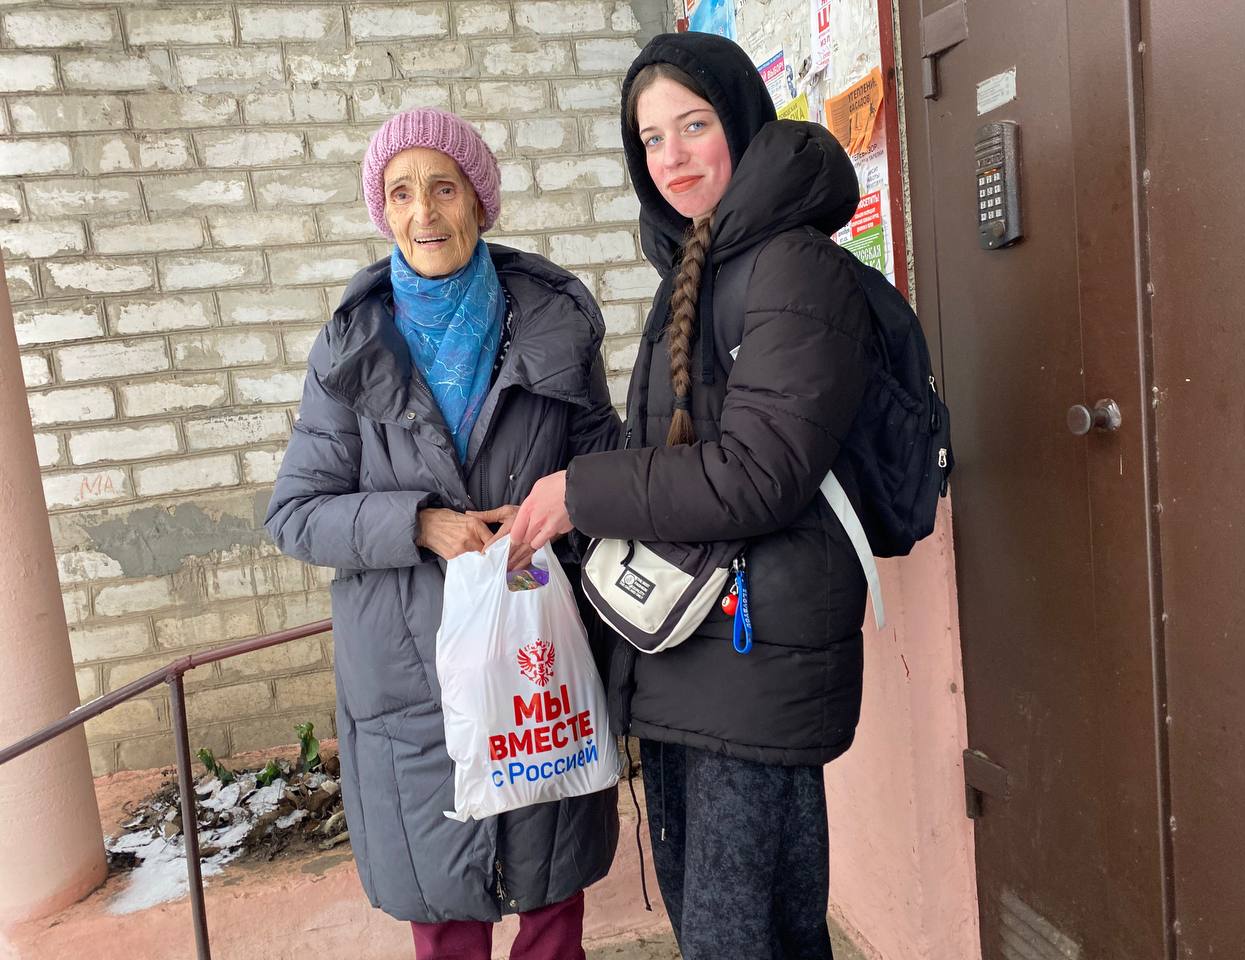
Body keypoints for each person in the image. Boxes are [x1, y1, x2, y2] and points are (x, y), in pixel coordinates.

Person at [510, 32, 873, 960]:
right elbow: (669, 459)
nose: (670, 157)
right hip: (691, 650)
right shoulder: (697, 269)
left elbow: (757, 472)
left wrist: (580, 492)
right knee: (729, 933)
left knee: (742, 938)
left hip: (751, 661)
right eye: (651, 139)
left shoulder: (792, 268)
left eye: (694, 126)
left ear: (742, 123)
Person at [265, 107, 620, 960]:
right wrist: (417, 523)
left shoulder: (555, 326)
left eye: (443, 188)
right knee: (448, 926)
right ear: (382, 211)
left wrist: (564, 502)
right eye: (401, 193)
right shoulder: (351, 350)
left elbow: (606, 464)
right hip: (412, 682)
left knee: (551, 920)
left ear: (479, 201)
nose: (423, 212)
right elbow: (296, 513)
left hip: (537, 662)